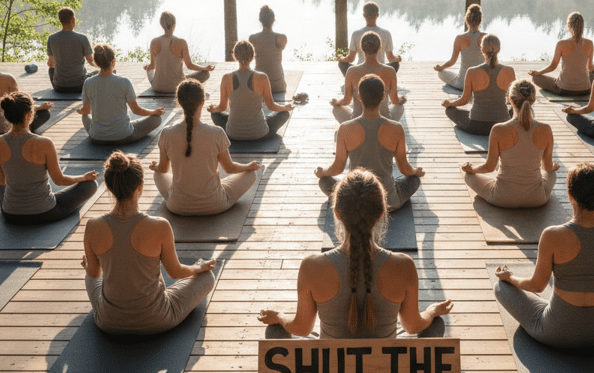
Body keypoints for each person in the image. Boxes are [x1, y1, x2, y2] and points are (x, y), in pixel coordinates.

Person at [258, 169, 453, 338]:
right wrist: (431, 311)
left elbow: (302, 328)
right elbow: (413, 326)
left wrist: (279, 318)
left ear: (337, 213)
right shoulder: (404, 265)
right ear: (382, 212)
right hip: (384, 366)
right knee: (435, 324)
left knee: (275, 331)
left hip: (330, 366)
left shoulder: (311, 266)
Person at [494, 163, 594, 348]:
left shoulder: (552, 235)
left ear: (570, 196)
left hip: (556, 332)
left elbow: (536, 285)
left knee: (501, 287)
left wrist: (510, 277)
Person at [82, 151, 217, 335]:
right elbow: (176, 272)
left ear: (108, 186)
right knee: (207, 277)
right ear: (140, 187)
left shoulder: (92, 225)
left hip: (108, 322)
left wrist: (90, 263)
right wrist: (197, 268)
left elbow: (94, 272)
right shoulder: (159, 226)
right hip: (157, 320)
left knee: (91, 277)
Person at [150, 79, 262, 216]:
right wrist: (248, 166)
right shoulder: (217, 133)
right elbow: (229, 168)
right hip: (215, 204)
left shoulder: (166, 133)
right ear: (202, 103)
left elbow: (163, 169)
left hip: (177, 205)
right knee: (251, 174)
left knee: (157, 174)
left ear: (179, 103)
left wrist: (155, 166)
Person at [315, 74, 423, 212]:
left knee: (324, 181)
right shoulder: (396, 128)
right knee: (414, 180)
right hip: (386, 202)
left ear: (359, 97)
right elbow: (404, 169)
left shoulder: (345, 128)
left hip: (354, 201)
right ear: (383, 97)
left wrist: (322, 172)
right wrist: (416, 171)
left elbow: (338, 168)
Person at [0, 92, 98, 225]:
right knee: (90, 185)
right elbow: (59, 180)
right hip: (44, 212)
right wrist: (84, 178)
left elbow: (1, 181)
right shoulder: (44, 143)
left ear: (7, 115)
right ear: (30, 114)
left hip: (10, 213)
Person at [461, 79, 559, 208]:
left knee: (469, 177)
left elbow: (489, 167)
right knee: (552, 173)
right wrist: (554, 167)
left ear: (510, 99)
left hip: (502, 198)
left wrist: (472, 169)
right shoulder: (546, 129)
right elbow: (547, 168)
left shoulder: (498, 129)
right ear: (533, 100)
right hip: (537, 198)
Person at [77, 44, 165, 145]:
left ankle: (101, 131)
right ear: (113, 61)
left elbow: (86, 110)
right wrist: (154, 112)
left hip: (96, 136)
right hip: (124, 136)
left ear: (96, 63)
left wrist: (81, 111)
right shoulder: (124, 82)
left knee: (84, 116)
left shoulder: (88, 82)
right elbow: (136, 110)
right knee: (156, 119)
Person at [209, 41, 293, 141]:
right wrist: (285, 107)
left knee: (215, 114)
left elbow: (223, 107)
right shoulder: (262, 77)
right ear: (253, 56)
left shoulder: (226, 78)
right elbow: (271, 106)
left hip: (232, 133)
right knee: (285, 114)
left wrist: (213, 109)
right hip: (260, 133)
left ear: (235, 56)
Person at [0, 41, 52, 140]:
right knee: (44, 114)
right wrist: (39, 107)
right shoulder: (8, 78)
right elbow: (21, 106)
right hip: (5, 132)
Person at [442, 33, 515, 135]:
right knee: (514, 109)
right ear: (499, 49)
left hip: (476, 125)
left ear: (482, 50)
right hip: (502, 125)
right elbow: (513, 100)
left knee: (449, 110)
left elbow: (464, 100)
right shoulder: (509, 71)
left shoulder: (472, 71)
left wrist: (450, 104)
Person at [331, 31, 405, 123]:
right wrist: (400, 100)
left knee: (336, 109)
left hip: (357, 120)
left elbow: (346, 101)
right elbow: (394, 101)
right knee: (399, 107)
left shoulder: (351, 71)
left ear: (361, 48)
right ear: (379, 48)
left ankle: (354, 128)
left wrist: (337, 102)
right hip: (385, 120)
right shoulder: (390, 71)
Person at [528, 12, 594, 96]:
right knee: (592, 73)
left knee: (536, 78)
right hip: (585, 89)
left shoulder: (561, 44)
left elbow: (553, 66)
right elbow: (589, 67)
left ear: (569, 25)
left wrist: (539, 72)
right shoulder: (590, 43)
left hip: (563, 89)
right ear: (582, 26)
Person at [144, 11, 214, 93]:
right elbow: (190, 65)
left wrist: (147, 67)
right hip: (179, 87)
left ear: (162, 26)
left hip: (157, 87)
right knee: (206, 74)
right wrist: (204, 68)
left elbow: (152, 66)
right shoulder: (181, 42)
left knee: (149, 69)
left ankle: (161, 82)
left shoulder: (154, 42)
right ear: (174, 26)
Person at [337, 1, 401, 76]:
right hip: (380, 73)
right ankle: (384, 80)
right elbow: (390, 58)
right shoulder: (386, 33)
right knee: (395, 64)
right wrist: (398, 59)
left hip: (361, 73)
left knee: (342, 64)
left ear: (364, 15)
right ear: (377, 15)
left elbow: (351, 59)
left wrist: (341, 59)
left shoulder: (356, 34)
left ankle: (354, 81)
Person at [434, 4, 485, 90]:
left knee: (441, 73)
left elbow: (452, 62)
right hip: (481, 83)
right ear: (480, 21)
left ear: (466, 20)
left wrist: (441, 68)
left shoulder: (459, 38)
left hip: (463, 84)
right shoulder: (486, 37)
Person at [47, 7, 97, 93]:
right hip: (80, 86)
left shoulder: (51, 38)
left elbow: (51, 63)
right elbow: (91, 61)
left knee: (51, 69)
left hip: (59, 87)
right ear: (74, 19)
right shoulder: (82, 38)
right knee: (95, 73)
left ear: (60, 21)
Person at [249, 5, 287, 94]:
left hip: (259, 85)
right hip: (278, 86)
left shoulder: (253, 38)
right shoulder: (281, 38)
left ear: (260, 20)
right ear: (274, 20)